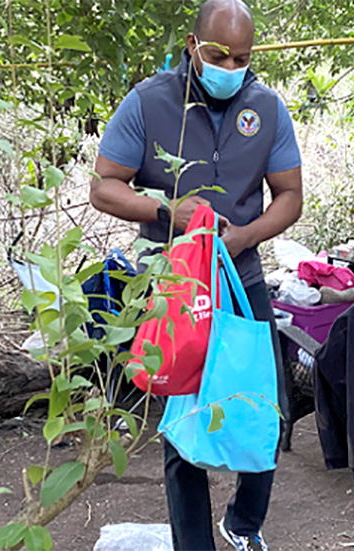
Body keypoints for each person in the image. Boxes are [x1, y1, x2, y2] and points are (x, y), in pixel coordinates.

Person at [89, 1, 302, 549]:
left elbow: (290, 196)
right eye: (218, 55)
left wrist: (245, 236)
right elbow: (104, 186)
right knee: (184, 410)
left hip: (241, 278)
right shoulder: (149, 102)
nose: (230, 67)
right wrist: (167, 212)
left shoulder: (267, 108)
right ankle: (193, 542)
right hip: (172, 284)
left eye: (242, 58)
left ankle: (244, 523)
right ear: (191, 45)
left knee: (266, 407)